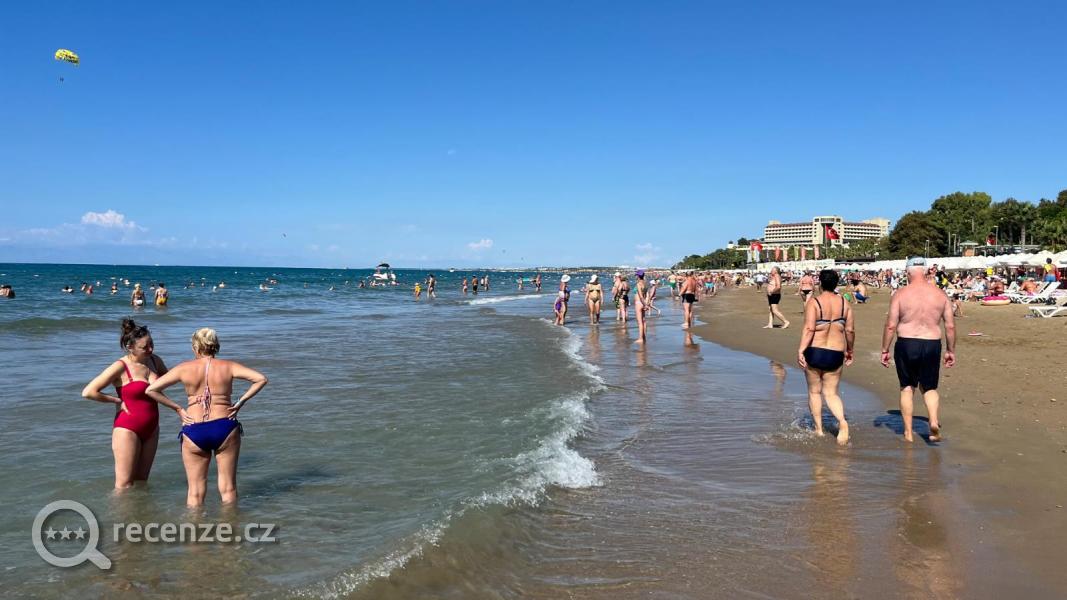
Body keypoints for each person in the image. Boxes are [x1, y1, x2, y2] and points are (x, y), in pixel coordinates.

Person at [145, 328, 268, 506]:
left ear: (195, 347)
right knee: (228, 489)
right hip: (225, 426)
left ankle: (196, 523)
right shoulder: (229, 366)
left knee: (194, 492)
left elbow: (151, 390)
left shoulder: (184, 368)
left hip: (194, 428)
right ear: (216, 346)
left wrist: (178, 409)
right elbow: (261, 379)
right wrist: (240, 402)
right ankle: (230, 523)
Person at [81, 319, 177, 488]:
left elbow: (170, 379)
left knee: (142, 481)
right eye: (145, 347)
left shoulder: (155, 360)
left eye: (152, 344)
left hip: (152, 428)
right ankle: (118, 507)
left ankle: (141, 508)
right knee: (124, 485)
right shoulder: (120, 366)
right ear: (130, 347)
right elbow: (88, 392)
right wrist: (116, 400)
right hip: (127, 428)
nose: (150, 349)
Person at [881, 257, 956, 443]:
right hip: (931, 343)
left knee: (907, 388)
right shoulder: (940, 294)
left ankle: (908, 433)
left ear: (908, 272)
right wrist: (950, 350)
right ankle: (933, 421)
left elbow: (891, 325)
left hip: (907, 342)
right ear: (926, 271)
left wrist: (885, 349)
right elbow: (950, 326)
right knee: (929, 387)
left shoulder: (900, 294)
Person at [797, 270, 854, 444]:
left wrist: (801, 350)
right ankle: (842, 421)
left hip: (815, 350)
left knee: (814, 392)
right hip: (835, 352)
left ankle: (819, 430)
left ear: (820, 283)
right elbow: (850, 330)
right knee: (831, 393)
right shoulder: (845, 303)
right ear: (836, 284)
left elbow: (809, 329)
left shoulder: (814, 302)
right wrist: (850, 350)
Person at [634, 270, 650, 343]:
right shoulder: (646, 283)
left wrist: (645, 304)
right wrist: (647, 303)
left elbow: (640, 296)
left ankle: (640, 338)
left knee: (640, 322)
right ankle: (644, 337)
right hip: (644, 302)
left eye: (636, 275)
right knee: (644, 321)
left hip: (639, 303)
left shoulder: (638, 284)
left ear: (638, 276)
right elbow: (647, 295)